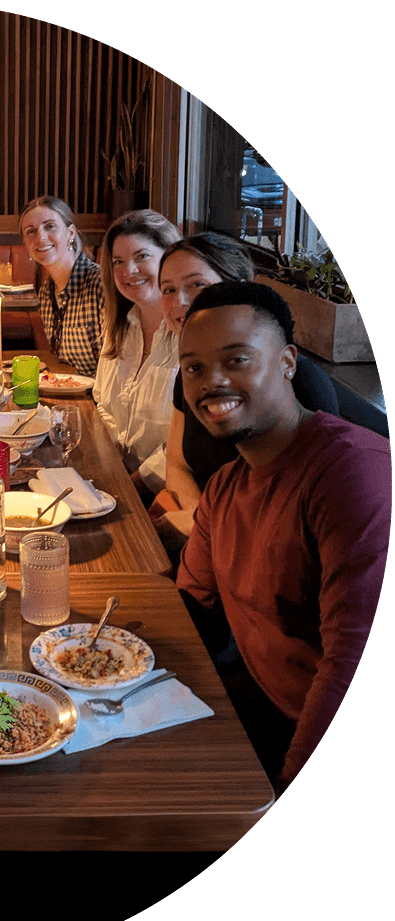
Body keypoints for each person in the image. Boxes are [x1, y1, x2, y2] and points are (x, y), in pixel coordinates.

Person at [175, 280, 390, 794]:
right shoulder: (227, 486)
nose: (213, 382)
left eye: (238, 360)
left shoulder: (349, 474)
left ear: (288, 362)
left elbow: (351, 661)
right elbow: (191, 610)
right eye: (194, 368)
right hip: (259, 711)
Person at [155, 232, 339, 549]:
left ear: (241, 284)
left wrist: (204, 529)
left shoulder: (300, 382)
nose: (180, 302)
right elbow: (177, 464)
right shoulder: (191, 372)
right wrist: (201, 523)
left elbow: (295, 513)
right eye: (168, 290)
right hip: (205, 537)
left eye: (196, 284)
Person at [92, 209, 181, 496]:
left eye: (142, 256)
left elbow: (186, 443)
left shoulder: (191, 338)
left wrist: (133, 485)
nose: (128, 271)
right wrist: (108, 467)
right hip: (113, 479)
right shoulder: (118, 326)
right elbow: (101, 402)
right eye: (118, 261)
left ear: (170, 259)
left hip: (165, 494)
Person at [18, 195, 104, 377]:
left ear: (70, 233)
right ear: (26, 244)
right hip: (69, 394)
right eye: (31, 231)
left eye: (50, 226)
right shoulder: (46, 293)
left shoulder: (99, 284)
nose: (40, 237)